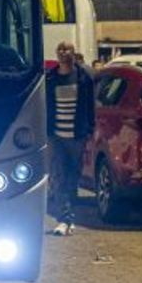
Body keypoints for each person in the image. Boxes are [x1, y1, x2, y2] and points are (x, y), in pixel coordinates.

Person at [46, 40, 95, 235]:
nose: (63, 52)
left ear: (73, 53)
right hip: (56, 135)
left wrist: (90, 130)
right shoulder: (50, 78)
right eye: (60, 49)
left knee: (72, 178)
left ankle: (69, 218)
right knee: (58, 176)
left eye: (66, 49)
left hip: (76, 136)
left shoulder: (84, 78)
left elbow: (90, 106)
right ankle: (63, 219)